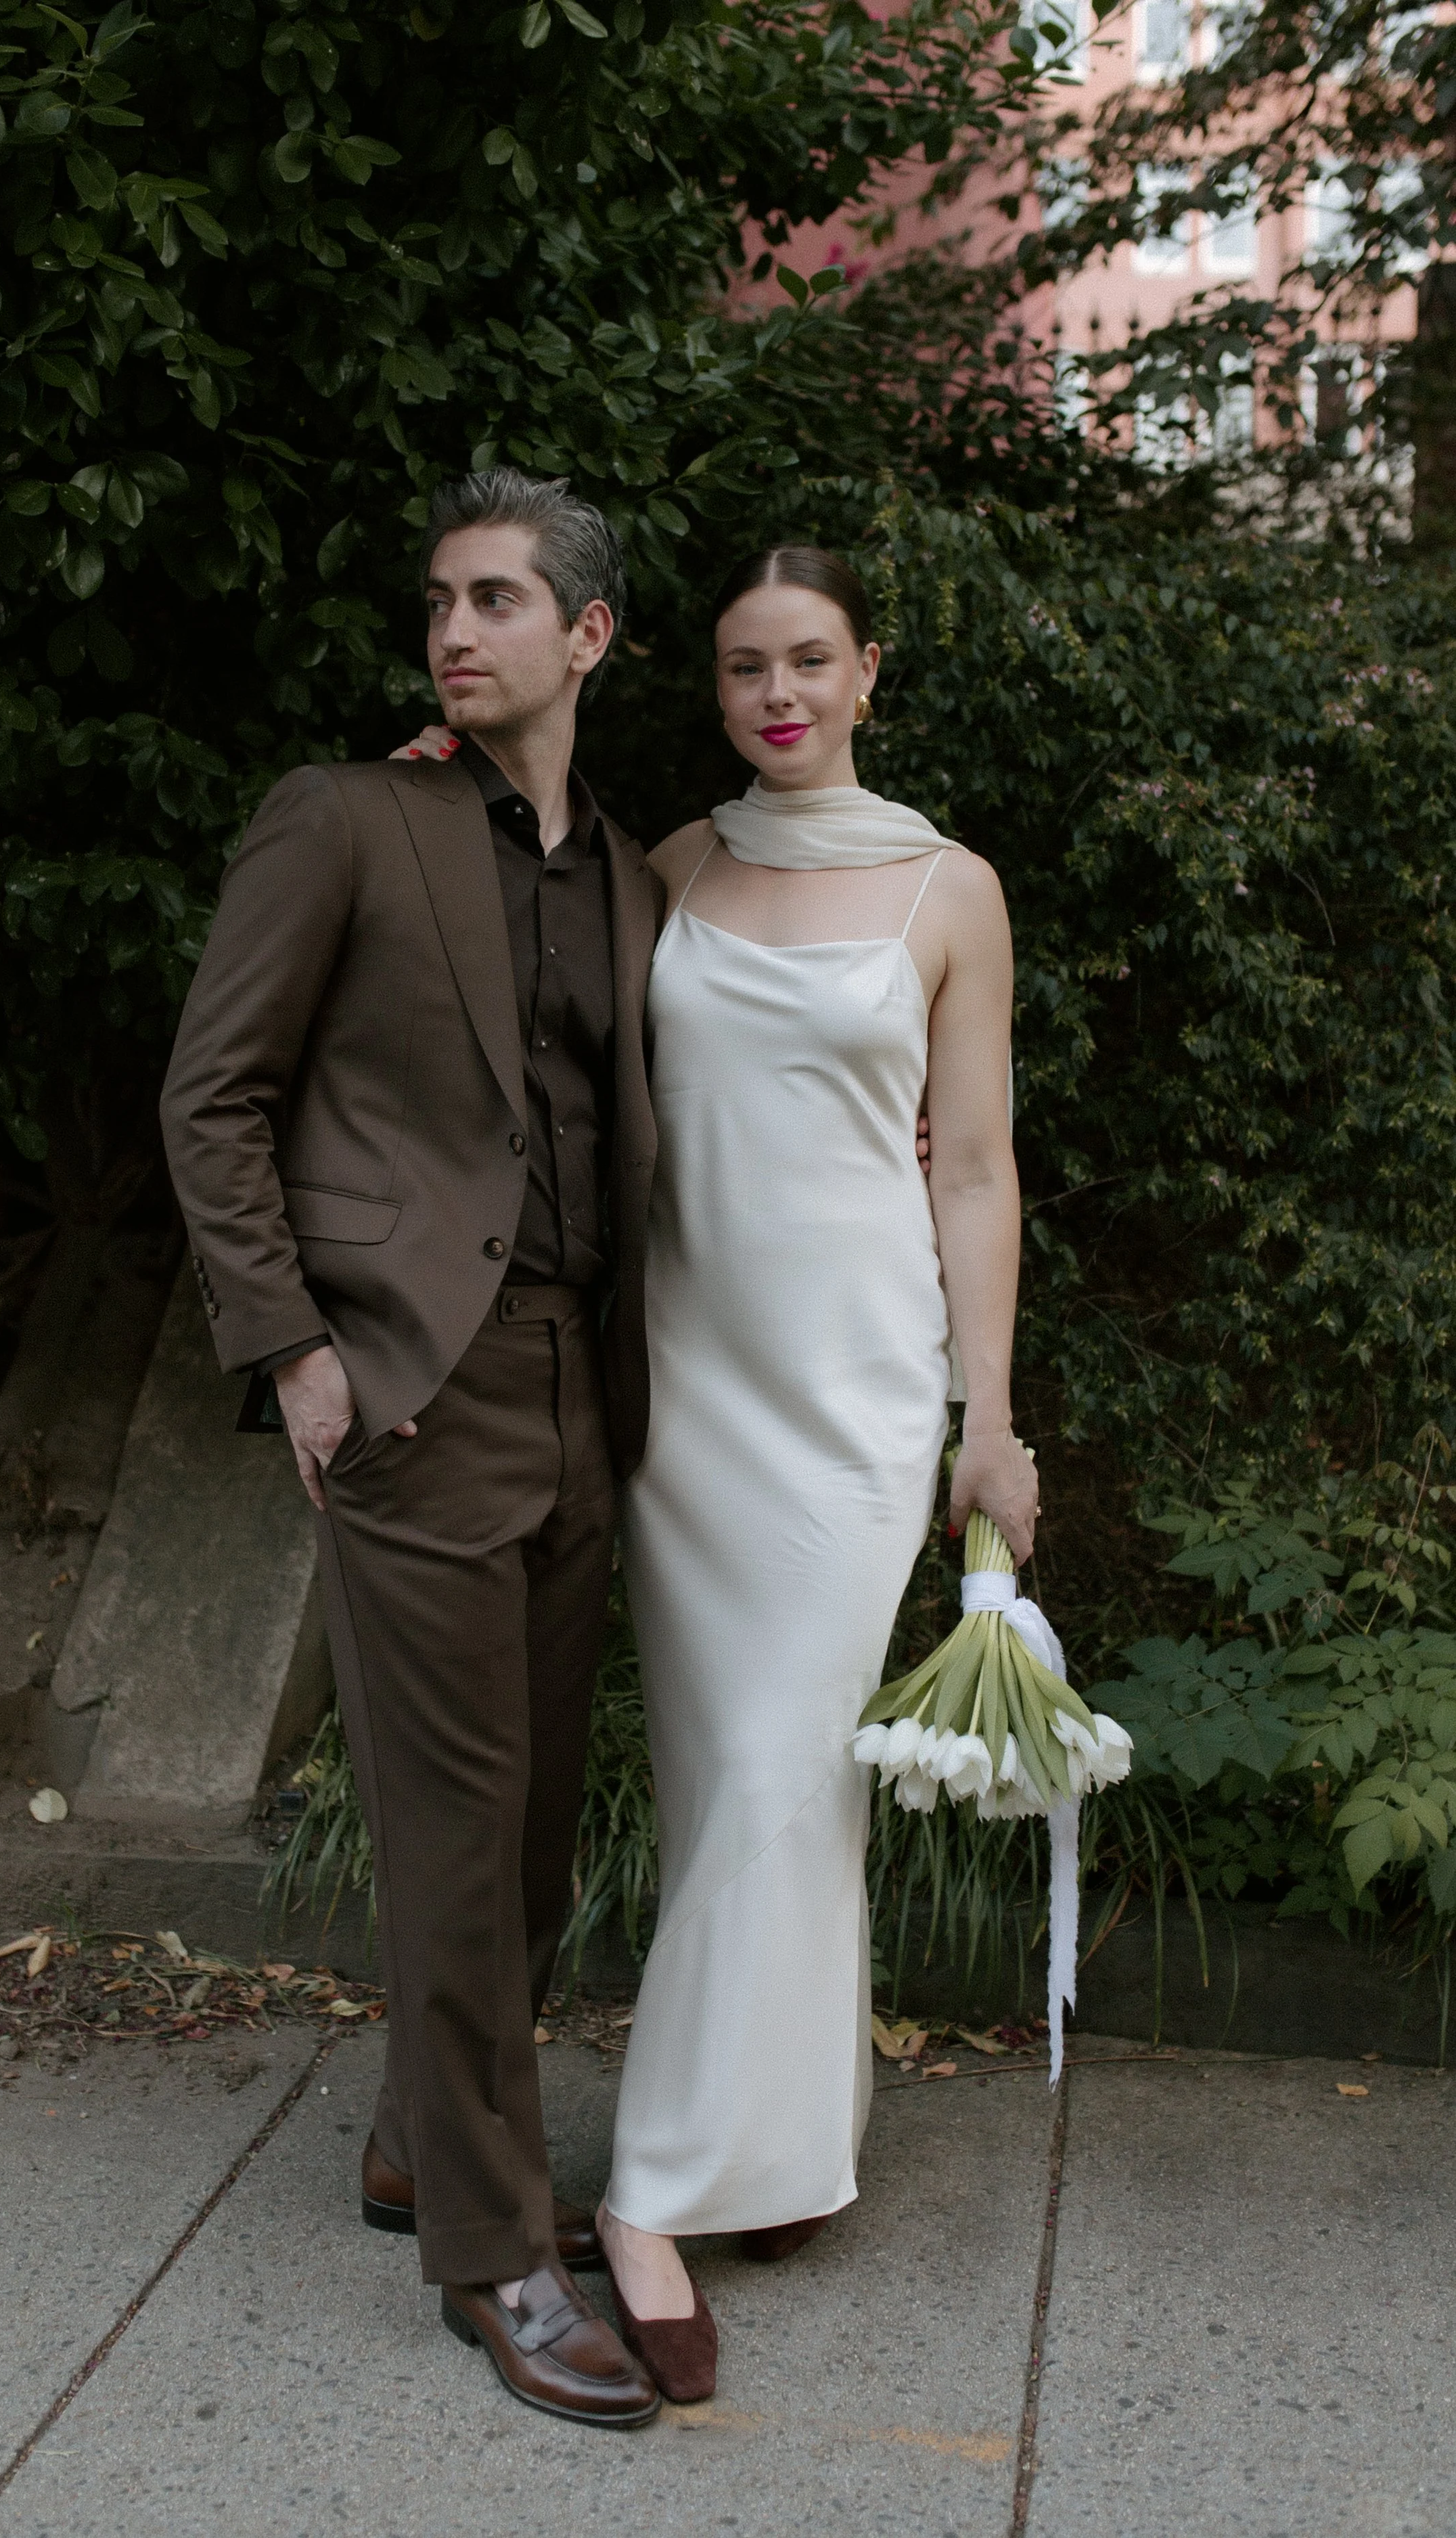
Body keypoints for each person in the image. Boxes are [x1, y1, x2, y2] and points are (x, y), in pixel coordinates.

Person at [394, 539, 1031, 2407]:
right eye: (746, 663)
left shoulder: (947, 891)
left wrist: (984, 1421)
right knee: (733, 1782)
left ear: (866, 673)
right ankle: (790, 2140)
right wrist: (444, 802)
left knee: (777, 1763)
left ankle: (658, 2188)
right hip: (677, 1388)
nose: (776, 691)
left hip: (849, 1392)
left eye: (809, 659)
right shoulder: (665, 868)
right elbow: (525, 1008)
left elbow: (974, 1165)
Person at [159, 468, 666, 2432]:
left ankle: (408, 2143)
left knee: (528, 1838)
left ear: (588, 636)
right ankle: (495, 2254)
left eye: (495, 602)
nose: (454, 633)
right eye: (439, 603)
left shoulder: (633, 869)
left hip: (580, 1395)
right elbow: (214, 1094)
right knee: (456, 1840)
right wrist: (292, 1349)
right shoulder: (345, 817)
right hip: (407, 1396)